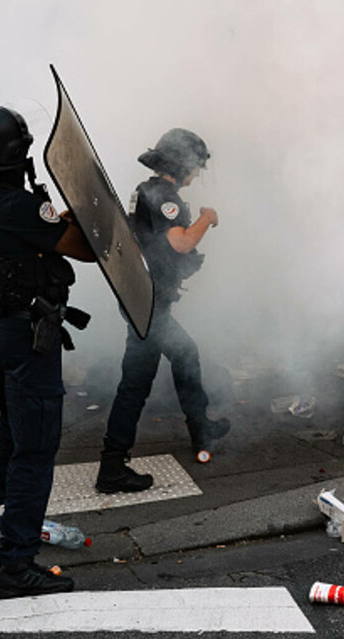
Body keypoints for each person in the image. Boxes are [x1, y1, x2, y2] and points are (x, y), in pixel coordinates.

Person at [0, 106, 96, 598]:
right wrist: (84, 214)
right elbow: (84, 248)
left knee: (13, 422)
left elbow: (27, 237)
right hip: (25, 332)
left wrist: (49, 221)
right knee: (35, 448)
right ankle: (16, 566)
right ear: (16, 155)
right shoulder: (17, 206)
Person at [95, 128, 230, 494]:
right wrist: (207, 217)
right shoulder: (163, 197)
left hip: (149, 301)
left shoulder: (146, 190)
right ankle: (111, 467)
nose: (197, 174)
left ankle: (201, 427)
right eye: (195, 167)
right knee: (135, 384)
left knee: (186, 353)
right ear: (182, 163)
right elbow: (181, 242)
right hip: (149, 306)